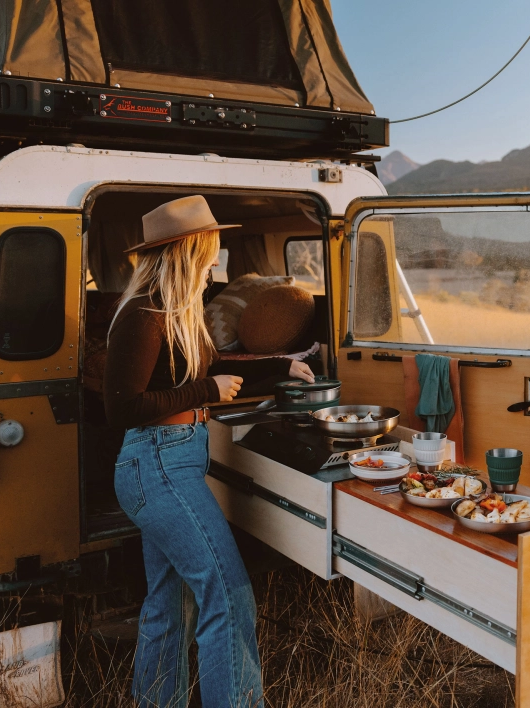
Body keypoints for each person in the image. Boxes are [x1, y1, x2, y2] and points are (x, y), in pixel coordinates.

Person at [104, 195, 316, 707]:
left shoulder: (177, 312)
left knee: (169, 605)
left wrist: (278, 366)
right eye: (211, 251)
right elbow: (123, 408)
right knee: (229, 594)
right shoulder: (144, 314)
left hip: (169, 462)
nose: (217, 261)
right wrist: (204, 393)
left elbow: (210, 367)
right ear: (187, 252)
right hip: (156, 466)